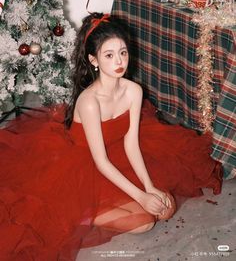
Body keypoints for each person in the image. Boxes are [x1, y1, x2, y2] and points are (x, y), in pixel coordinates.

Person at [0, 13, 222, 261]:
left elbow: (131, 144)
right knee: (145, 222)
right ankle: (81, 212)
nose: (119, 61)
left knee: (165, 208)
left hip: (118, 152)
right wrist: (141, 196)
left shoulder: (133, 91)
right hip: (84, 164)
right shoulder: (90, 102)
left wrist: (149, 187)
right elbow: (101, 162)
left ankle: (117, 202)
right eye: (109, 55)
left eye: (123, 52)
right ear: (93, 60)